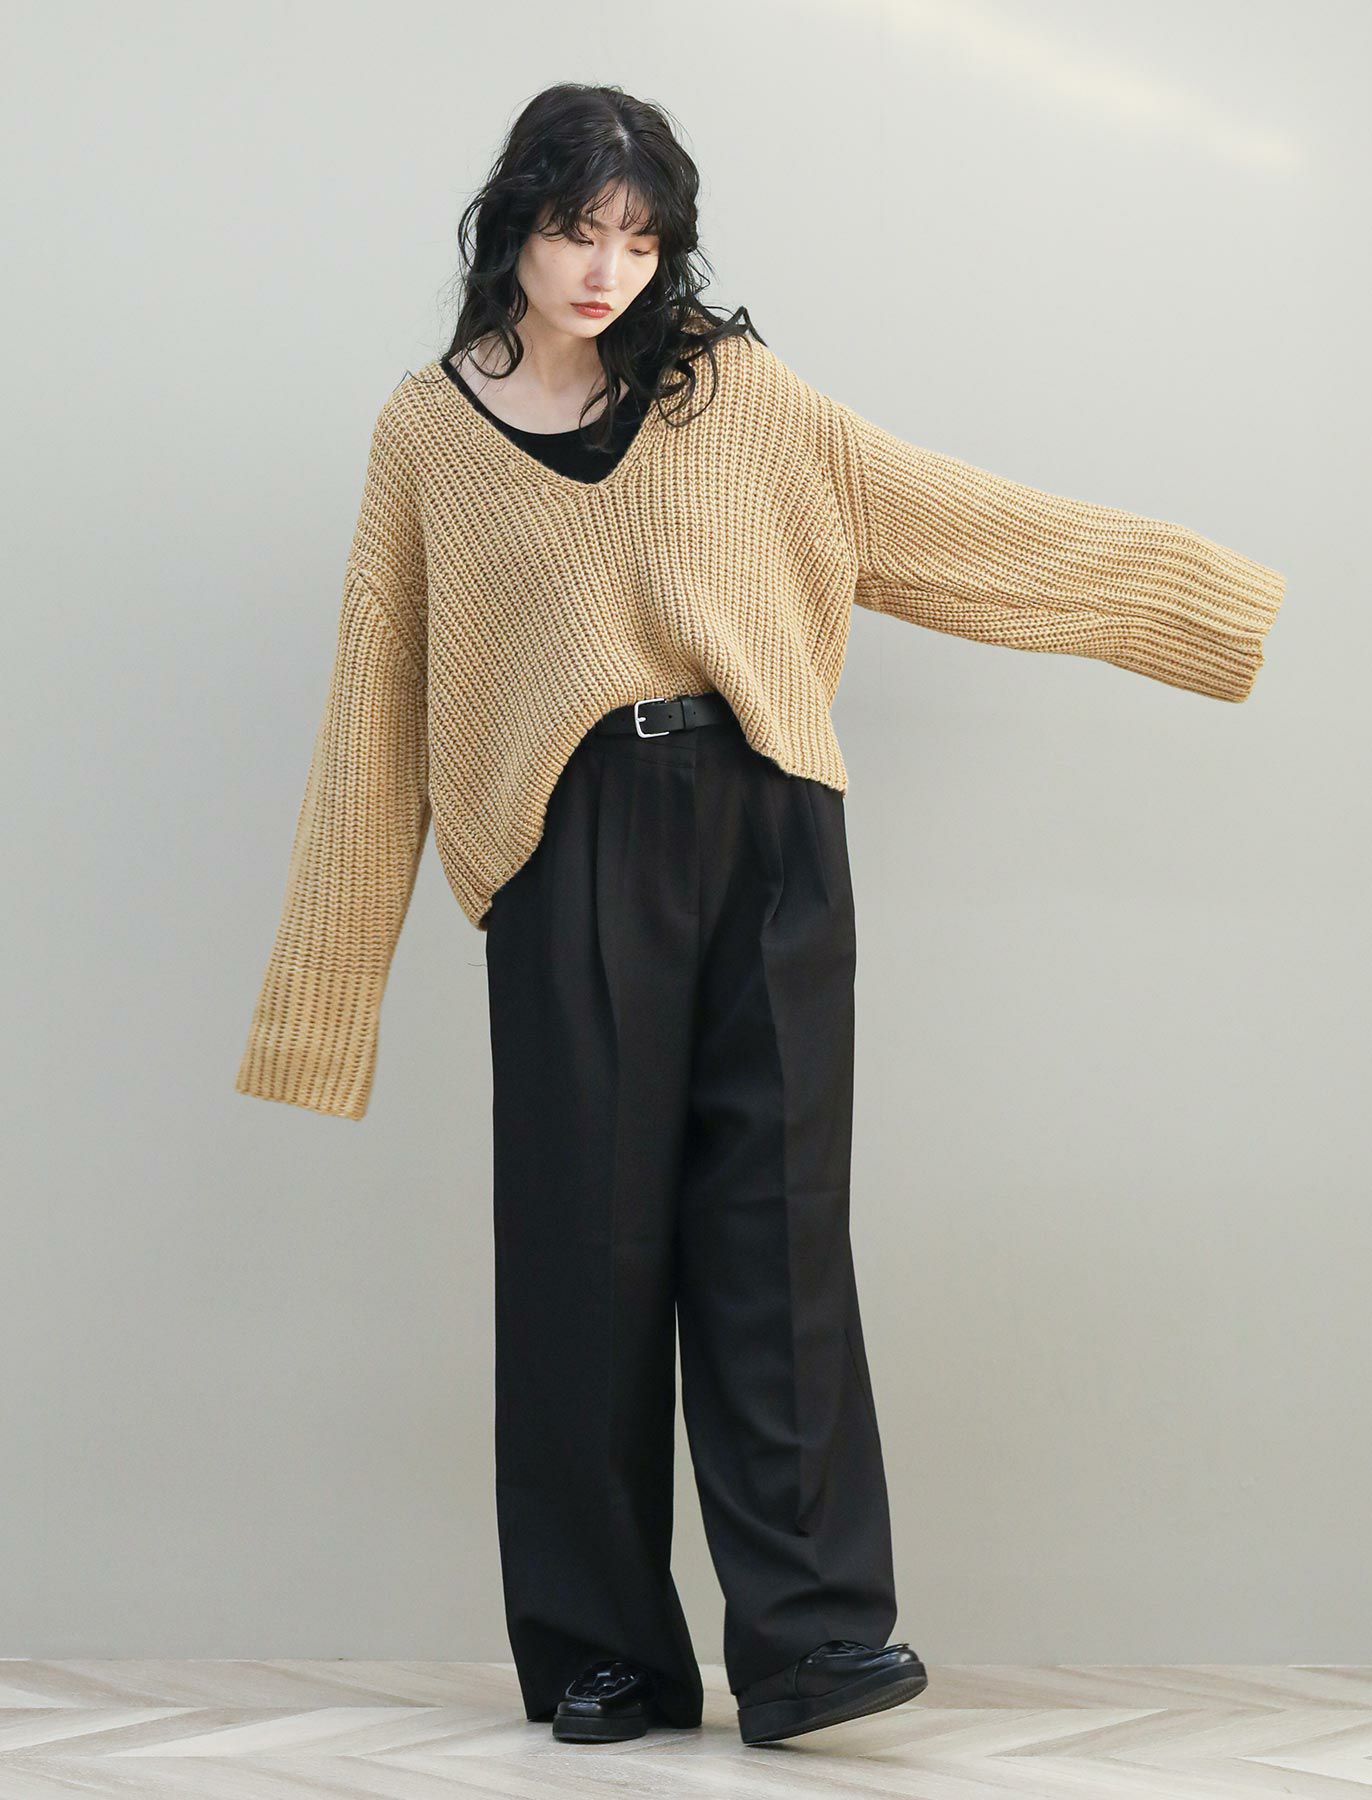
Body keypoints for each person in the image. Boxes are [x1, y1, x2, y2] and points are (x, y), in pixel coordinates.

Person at [234, 83, 1286, 1748]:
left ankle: (811, 1645)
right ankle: (601, 1652)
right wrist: (322, 1003)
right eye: (578, 231)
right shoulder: (426, 434)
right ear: (513, 228)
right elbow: (377, 706)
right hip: (568, 842)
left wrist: (1192, 597)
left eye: (640, 239)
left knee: (776, 1234)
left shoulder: (735, 392)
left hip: (769, 818)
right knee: (583, 1249)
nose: (607, 269)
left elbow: (946, 523)